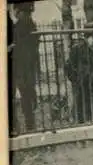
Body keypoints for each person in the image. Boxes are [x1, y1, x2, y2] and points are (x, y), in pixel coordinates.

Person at [11, 2, 39, 133]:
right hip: (27, 66)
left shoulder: (19, 26)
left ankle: (26, 125)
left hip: (21, 66)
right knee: (28, 94)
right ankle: (29, 124)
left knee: (25, 95)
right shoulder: (31, 26)